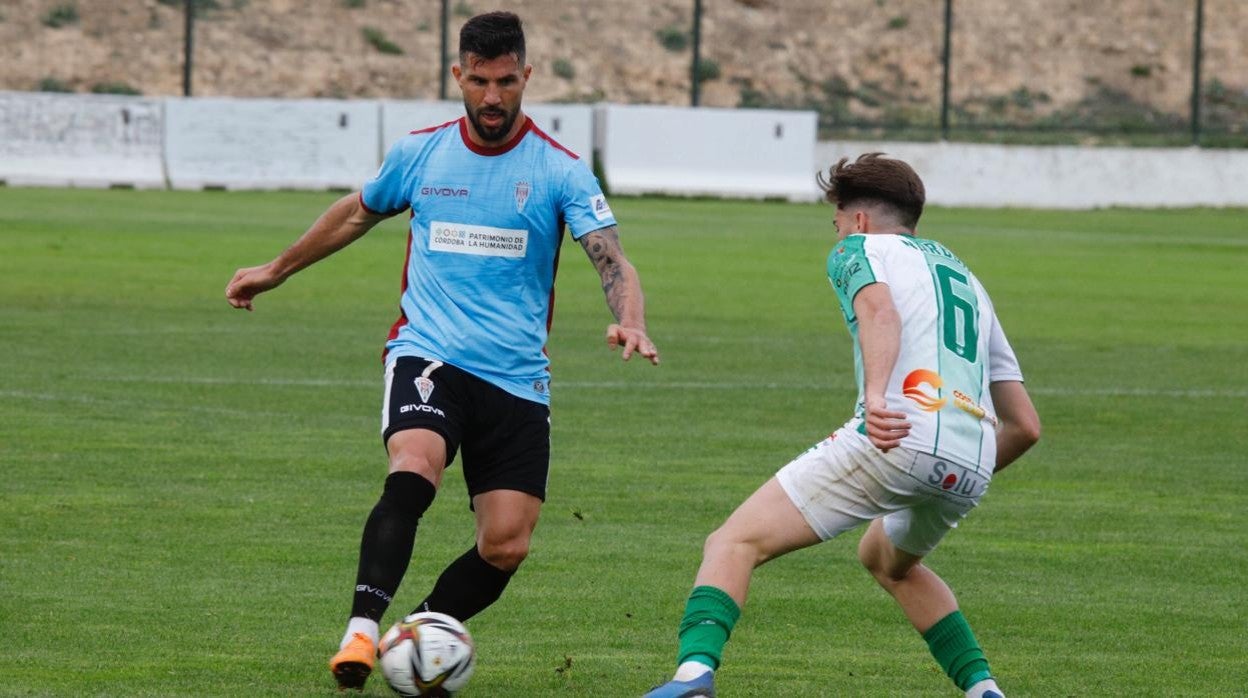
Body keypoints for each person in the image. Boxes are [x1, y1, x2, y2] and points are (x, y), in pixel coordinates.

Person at [225, 11, 660, 691]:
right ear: (458, 75)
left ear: (528, 77)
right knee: (415, 464)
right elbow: (354, 212)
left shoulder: (559, 169)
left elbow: (611, 258)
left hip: (516, 379)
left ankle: (418, 635)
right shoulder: (421, 153)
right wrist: (276, 269)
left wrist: (630, 318)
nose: (493, 97)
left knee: (507, 543)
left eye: (507, 82)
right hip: (429, 354)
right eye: (480, 81)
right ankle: (362, 632)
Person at [644, 153, 1040, 698]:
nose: (834, 232)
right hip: (974, 458)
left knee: (733, 541)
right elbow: (1025, 425)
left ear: (857, 220)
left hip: (896, 432)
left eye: (834, 220)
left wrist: (876, 399)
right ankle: (984, 691)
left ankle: (692, 677)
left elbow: (879, 312)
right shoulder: (969, 280)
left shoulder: (856, 249)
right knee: (887, 561)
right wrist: (955, 463)